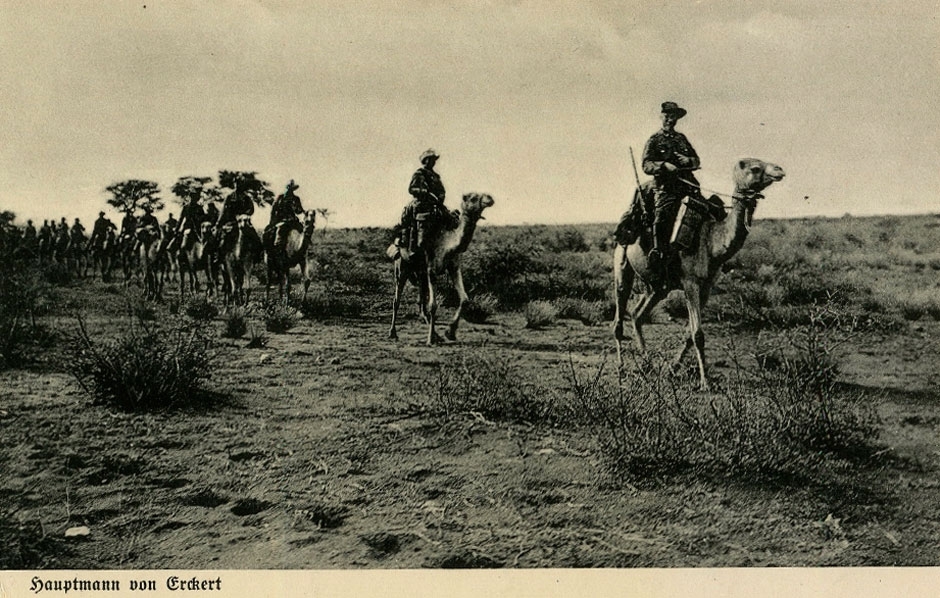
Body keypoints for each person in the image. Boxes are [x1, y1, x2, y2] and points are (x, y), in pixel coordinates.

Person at [641, 101, 703, 272]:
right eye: (667, 116)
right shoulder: (654, 140)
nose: (670, 120)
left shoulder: (681, 139)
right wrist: (664, 166)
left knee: (710, 210)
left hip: (687, 186)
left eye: (673, 116)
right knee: (662, 218)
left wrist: (688, 161)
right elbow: (646, 165)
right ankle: (658, 258)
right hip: (666, 188)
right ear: (661, 116)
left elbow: (696, 160)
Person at [395, 148, 447, 251]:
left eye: (434, 159)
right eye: (430, 159)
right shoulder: (419, 173)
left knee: (450, 218)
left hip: (436, 204)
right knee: (409, 217)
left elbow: (442, 190)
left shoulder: (436, 176)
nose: (433, 162)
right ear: (425, 160)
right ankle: (407, 243)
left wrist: (440, 196)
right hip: (422, 202)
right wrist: (425, 192)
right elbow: (412, 188)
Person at [264, 179, 304, 250]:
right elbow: (274, 209)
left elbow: (299, 211)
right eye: (289, 188)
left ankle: (302, 252)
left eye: (291, 188)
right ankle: (275, 248)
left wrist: (298, 209)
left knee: (303, 233)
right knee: (270, 232)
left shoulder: (296, 199)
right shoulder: (280, 198)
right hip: (281, 220)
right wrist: (272, 221)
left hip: (292, 220)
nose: (289, 190)